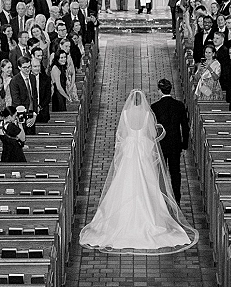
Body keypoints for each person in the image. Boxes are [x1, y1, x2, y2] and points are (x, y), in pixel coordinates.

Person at [80, 89, 198, 253]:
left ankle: (119, 222)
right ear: (142, 101)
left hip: (130, 152)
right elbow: (151, 135)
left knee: (124, 182)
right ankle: (150, 220)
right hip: (142, 152)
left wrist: (124, 147)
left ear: (130, 101)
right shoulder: (148, 115)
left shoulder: (126, 113)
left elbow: (120, 135)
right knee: (147, 183)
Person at [151, 78, 190, 206]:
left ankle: (161, 199)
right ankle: (177, 198)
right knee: (175, 172)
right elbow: (185, 126)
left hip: (161, 144)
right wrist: (185, 145)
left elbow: (153, 128)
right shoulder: (179, 105)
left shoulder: (155, 107)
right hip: (175, 144)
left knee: (161, 172)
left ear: (159, 90)